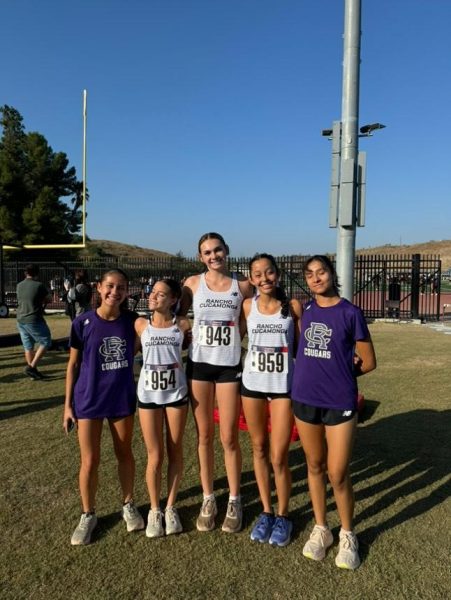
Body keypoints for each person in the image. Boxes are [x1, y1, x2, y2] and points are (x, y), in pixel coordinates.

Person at [291, 255, 376, 570]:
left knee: (337, 473)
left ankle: (348, 533)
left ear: (332, 274)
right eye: (310, 274)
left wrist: (341, 374)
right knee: (314, 466)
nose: (315, 278)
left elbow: (368, 361)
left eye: (321, 272)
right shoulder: (304, 311)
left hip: (339, 401)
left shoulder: (350, 312)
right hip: (304, 399)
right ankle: (321, 528)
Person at [63, 268, 144, 545]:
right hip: (88, 400)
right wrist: (67, 406)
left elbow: (153, 335)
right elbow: (72, 365)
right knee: (90, 460)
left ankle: (128, 504)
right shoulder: (83, 322)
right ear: (99, 288)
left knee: (125, 453)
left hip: (121, 398)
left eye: (121, 287)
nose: (115, 292)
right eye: (110, 286)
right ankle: (88, 514)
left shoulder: (133, 321)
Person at [179, 232, 253, 533]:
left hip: (228, 368)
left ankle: (235, 499)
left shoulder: (243, 285)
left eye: (217, 250)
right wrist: (185, 333)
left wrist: (239, 337)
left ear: (227, 250)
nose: (213, 256)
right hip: (199, 366)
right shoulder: (192, 283)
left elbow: (251, 318)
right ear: (200, 257)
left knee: (229, 437)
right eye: (207, 252)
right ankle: (208, 497)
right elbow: (180, 317)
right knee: (204, 436)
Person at [240, 254, 301, 547]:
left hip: (282, 388)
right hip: (252, 384)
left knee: (279, 455)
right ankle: (266, 511)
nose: (264, 278)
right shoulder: (248, 306)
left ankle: (284, 514)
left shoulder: (293, 308)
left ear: (277, 274)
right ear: (251, 279)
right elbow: (233, 335)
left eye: (269, 272)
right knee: (259, 447)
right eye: (257, 274)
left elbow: (302, 348)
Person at [135, 278, 191, 538]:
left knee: (175, 450)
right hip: (148, 396)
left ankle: (170, 507)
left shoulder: (182, 325)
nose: (153, 297)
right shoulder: (140, 325)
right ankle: (154, 509)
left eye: (161, 294)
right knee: (154, 455)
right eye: (152, 292)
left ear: (173, 300)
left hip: (176, 395)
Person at [16, 264, 52, 380]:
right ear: (37, 273)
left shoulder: (19, 285)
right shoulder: (39, 285)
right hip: (34, 318)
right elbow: (48, 299)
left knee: (28, 346)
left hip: (21, 318)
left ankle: (33, 372)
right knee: (46, 341)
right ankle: (31, 367)